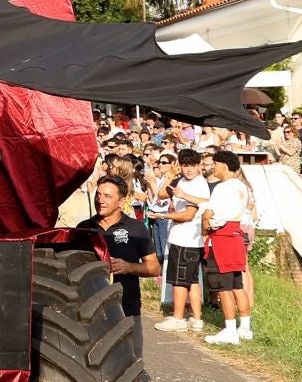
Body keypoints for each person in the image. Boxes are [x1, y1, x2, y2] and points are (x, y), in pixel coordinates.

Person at [76, 174, 159, 352]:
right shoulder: (83, 228)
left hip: (126, 309)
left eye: (107, 196)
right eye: (98, 194)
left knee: (131, 360)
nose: (100, 200)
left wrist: (128, 267)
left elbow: (154, 268)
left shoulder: (136, 228)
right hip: (89, 312)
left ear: (121, 202)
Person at [199, 150, 254, 345]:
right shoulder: (242, 186)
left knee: (223, 287)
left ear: (223, 165)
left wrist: (206, 225)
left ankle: (230, 329)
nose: (213, 167)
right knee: (237, 285)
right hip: (236, 236)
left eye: (215, 164)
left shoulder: (222, 187)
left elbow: (211, 215)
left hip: (222, 237)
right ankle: (245, 328)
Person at [153, 149, 209, 333]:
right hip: (183, 238)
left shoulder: (198, 184)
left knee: (179, 280)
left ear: (199, 165)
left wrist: (163, 216)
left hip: (187, 240)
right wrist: (171, 176)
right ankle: (196, 318)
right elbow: (162, 194)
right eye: (185, 166)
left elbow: (188, 215)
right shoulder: (183, 181)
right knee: (192, 280)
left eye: (192, 166)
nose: (189, 170)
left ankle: (178, 318)